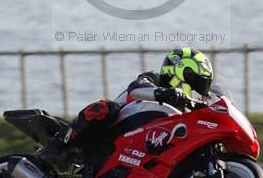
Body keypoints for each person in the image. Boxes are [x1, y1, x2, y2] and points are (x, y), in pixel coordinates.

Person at [40, 47, 214, 171]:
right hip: (113, 128)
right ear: (181, 73)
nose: (200, 90)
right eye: (198, 82)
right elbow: (137, 89)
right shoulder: (153, 79)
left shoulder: (183, 109)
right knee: (103, 108)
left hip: (136, 150)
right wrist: (163, 93)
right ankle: (56, 146)